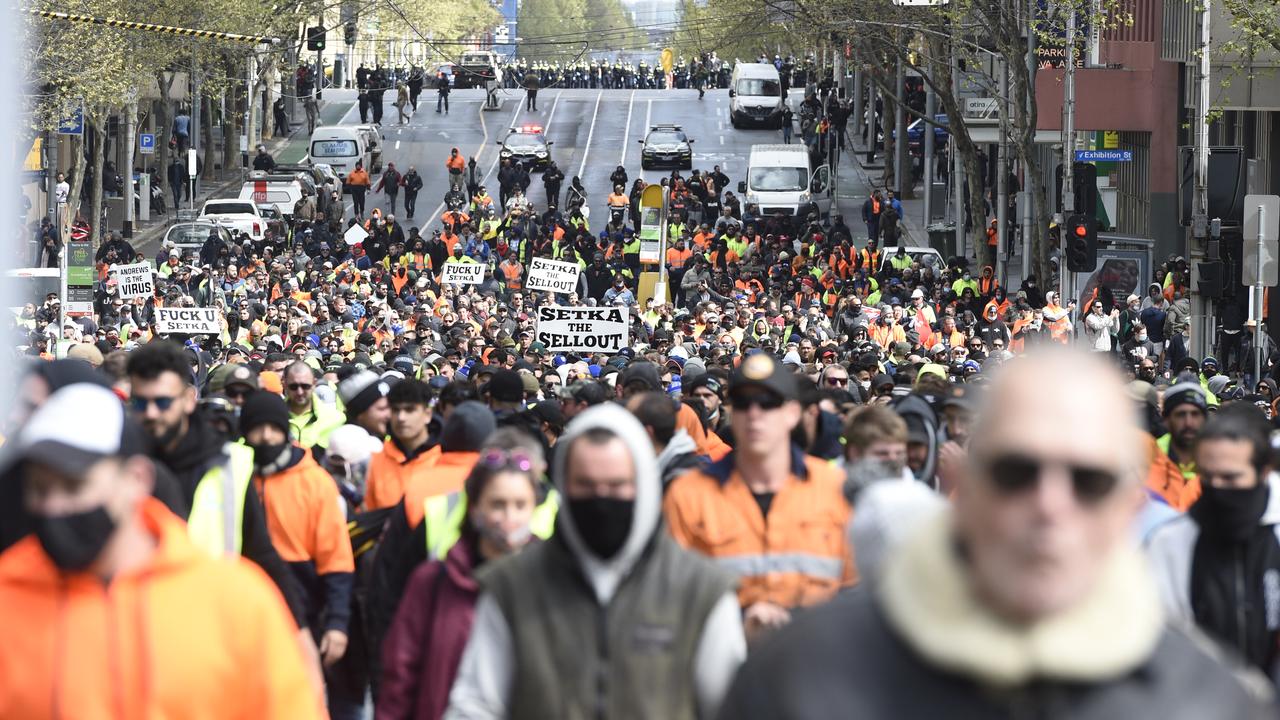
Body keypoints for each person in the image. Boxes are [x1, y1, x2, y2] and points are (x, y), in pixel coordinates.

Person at [717, 350, 1270, 718]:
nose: (1050, 505)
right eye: (1016, 472)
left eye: (1088, 480)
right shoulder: (801, 678)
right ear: (968, 483)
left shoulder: (1204, 702)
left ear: (1126, 503)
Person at [0, 383, 324, 719]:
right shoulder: (8, 598)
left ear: (136, 480)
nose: (53, 505)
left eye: (73, 485)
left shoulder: (235, 600)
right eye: (38, 488)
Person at [444, 404, 746, 718]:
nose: (601, 498)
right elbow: (476, 704)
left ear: (643, 486)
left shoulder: (700, 589)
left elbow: (730, 706)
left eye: (616, 486)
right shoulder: (512, 584)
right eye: (586, 486)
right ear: (563, 485)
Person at [664, 352, 854, 643]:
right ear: (732, 411)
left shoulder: (834, 487)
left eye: (768, 403)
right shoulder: (688, 495)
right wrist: (736, 625)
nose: (755, 413)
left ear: (792, 414)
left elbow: (854, 595)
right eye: (743, 403)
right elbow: (672, 600)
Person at [377, 431, 544, 720]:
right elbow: (400, 675)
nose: (509, 518)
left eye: (520, 505)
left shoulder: (554, 582)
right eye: (497, 504)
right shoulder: (432, 582)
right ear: (475, 507)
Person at [1147, 403, 1280, 673]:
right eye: (1208, 477)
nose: (1217, 488)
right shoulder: (1171, 542)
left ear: (1263, 472)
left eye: (1230, 478)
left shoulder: (1276, 533)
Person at [239, 391, 355, 682]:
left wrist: (337, 623)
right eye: (257, 428)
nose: (265, 437)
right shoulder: (235, 478)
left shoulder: (316, 483)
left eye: (273, 428)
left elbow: (336, 558)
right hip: (244, 613)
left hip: (305, 612)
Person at [284, 361, 345, 452]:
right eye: (294, 387)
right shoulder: (272, 416)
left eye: (305, 386)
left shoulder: (336, 419)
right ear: (285, 385)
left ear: (314, 384)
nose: (300, 392)